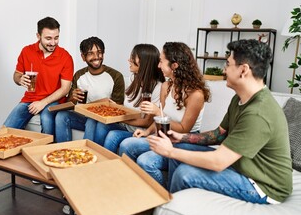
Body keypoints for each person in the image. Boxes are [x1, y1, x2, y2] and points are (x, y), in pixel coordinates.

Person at [148, 39, 293, 204]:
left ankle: (171, 207)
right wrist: (181, 138)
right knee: (179, 146)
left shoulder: (259, 113)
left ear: (243, 70)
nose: (224, 69)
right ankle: (172, 204)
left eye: (228, 64)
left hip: (264, 185)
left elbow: (218, 162)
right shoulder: (240, 99)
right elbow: (219, 135)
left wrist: (170, 152)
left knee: (184, 173)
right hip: (242, 166)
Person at [118, 42, 210, 187]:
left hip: (183, 140)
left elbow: (184, 128)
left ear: (174, 66)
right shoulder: (167, 86)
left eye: (161, 61)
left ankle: (162, 194)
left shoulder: (196, 94)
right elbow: (160, 120)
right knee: (127, 144)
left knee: (145, 161)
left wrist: (157, 111)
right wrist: (147, 132)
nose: (159, 65)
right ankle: (130, 187)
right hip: (162, 135)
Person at [4, 16, 74, 136]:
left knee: (47, 117)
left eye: (56, 38)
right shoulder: (27, 51)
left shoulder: (65, 57)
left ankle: (47, 151)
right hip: (29, 99)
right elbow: (16, 75)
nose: (53, 43)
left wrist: (42, 103)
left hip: (54, 101)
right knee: (4, 130)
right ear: (38, 36)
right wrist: (20, 79)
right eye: (48, 38)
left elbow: (65, 89)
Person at [93, 44, 165, 151]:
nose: (129, 60)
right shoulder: (134, 79)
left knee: (113, 135)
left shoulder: (158, 88)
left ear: (143, 62)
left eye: (133, 57)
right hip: (126, 126)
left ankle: (106, 165)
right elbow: (129, 109)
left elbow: (147, 122)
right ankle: (95, 158)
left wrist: (119, 118)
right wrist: (116, 108)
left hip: (139, 131)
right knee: (101, 125)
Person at [54, 36, 125, 143]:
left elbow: (118, 109)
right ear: (83, 57)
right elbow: (71, 104)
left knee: (92, 119)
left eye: (99, 52)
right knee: (61, 116)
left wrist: (94, 109)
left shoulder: (116, 76)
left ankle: (85, 153)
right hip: (83, 118)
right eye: (90, 53)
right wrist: (72, 97)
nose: (96, 57)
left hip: (103, 120)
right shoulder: (79, 75)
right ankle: (63, 151)